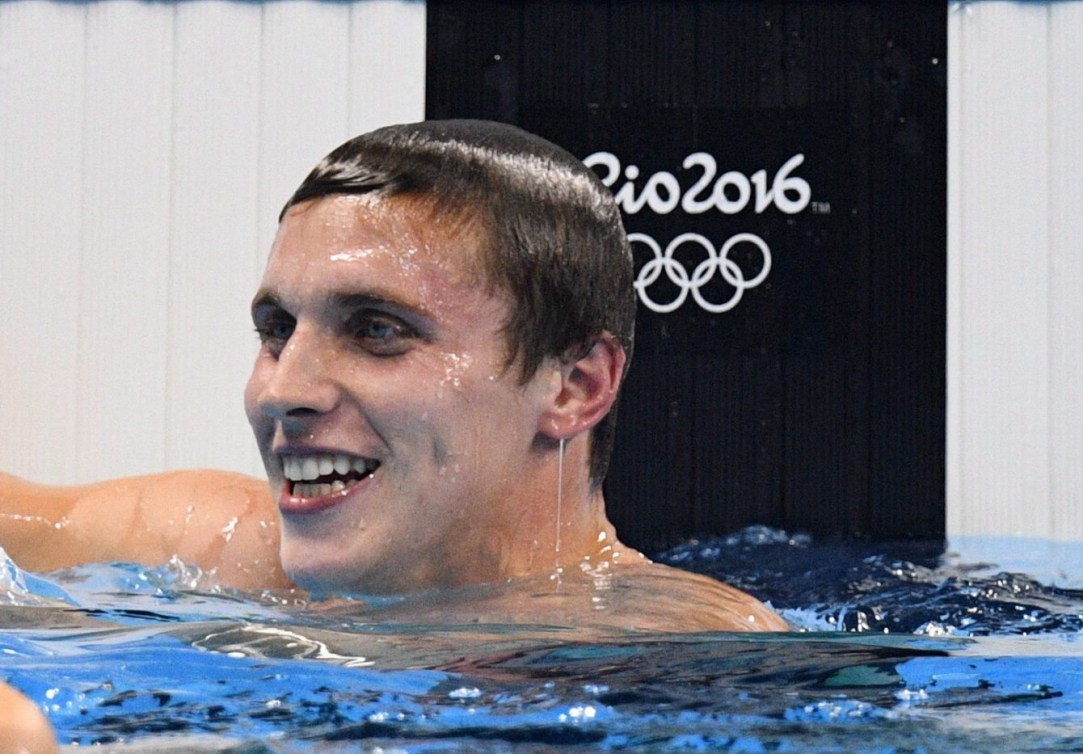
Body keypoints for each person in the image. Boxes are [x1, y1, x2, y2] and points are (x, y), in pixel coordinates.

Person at [0, 120, 786, 633]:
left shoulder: (673, 649)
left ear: (574, 386)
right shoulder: (223, 551)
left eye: (377, 330)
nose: (283, 391)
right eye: (277, 330)